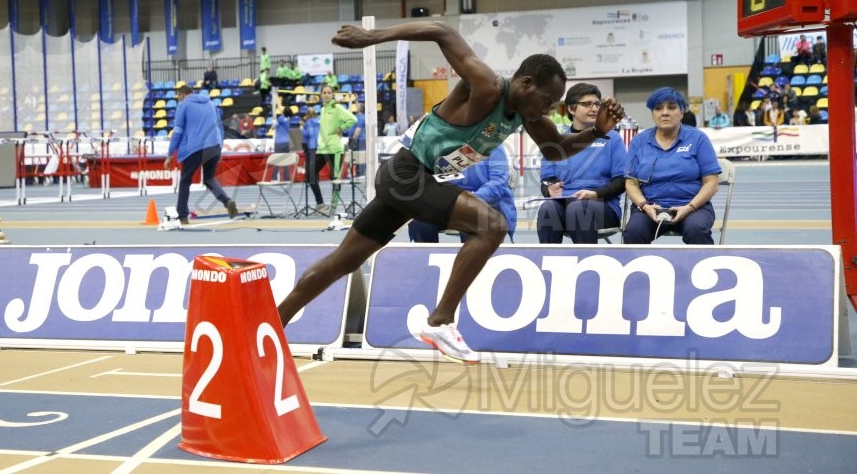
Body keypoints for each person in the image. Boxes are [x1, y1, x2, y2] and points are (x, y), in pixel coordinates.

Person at [275, 21, 624, 363]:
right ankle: (440, 322)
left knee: (345, 260)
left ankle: (273, 323)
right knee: (492, 226)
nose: (550, 109)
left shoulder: (525, 114)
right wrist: (373, 37)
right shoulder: (487, 85)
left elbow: (555, 148)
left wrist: (597, 131)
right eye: (548, 100)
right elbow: (442, 30)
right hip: (406, 174)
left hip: (413, 180)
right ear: (526, 83)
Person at [623, 87, 721, 245]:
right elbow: (631, 183)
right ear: (652, 114)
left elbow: (712, 182)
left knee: (696, 229)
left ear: (682, 112)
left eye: (672, 107)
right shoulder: (639, 142)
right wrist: (644, 205)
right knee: (633, 231)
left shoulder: (698, 139)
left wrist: (689, 207)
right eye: (658, 108)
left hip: (693, 207)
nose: (665, 112)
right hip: (650, 207)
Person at [536, 83, 627, 245]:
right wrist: (550, 189)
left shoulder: (613, 139)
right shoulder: (556, 140)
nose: (594, 109)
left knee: (578, 209)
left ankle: (587, 266)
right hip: (564, 203)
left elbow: (621, 181)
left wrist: (596, 194)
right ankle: (549, 265)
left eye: (597, 104)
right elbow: (547, 179)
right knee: (547, 209)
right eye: (587, 104)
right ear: (571, 109)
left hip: (603, 206)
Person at [409, 146, 516, 243]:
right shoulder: (440, 145)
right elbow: (428, 180)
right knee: (421, 224)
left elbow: (499, 182)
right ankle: (424, 261)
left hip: (487, 203)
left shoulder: (493, 145)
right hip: (448, 202)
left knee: (474, 224)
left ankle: (473, 262)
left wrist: (471, 200)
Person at [164, 85, 238, 225]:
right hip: (214, 145)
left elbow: (178, 131)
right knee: (209, 179)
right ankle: (227, 201)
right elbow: (220, 127)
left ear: (181, 95)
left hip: (195, 147)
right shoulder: (210, 103)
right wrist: (220, 148)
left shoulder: (183, 105)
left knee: (185, 180)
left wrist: (169, 154)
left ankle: (182, 216)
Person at [306, 85, 356, 215]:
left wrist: (341, 128)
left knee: (335, 178)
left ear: (332, 94)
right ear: (321, 94)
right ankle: (320, 203)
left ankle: (333, 206)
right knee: (310, 174)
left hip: (335, 149)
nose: (327, 94)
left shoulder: (337, 108)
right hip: (322, 149)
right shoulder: (322, 110)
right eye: (324, 92)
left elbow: (352, 119)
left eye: (329, 92)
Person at [271, 106, 292, 181]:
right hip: (287, 142)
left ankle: (274, 178)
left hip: (279, 142)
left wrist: (274, 122)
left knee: (277, 160)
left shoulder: (280, 118)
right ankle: (287, 178)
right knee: (286, 160)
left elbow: (273, 127)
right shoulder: (289, 119)